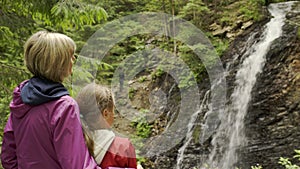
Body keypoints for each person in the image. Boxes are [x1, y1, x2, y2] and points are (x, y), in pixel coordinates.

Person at [1, 31, 101, 169]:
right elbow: (78, 166)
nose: (73, 60)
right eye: (70, 56)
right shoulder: (64, 106)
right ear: (58, 62)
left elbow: (8, 158)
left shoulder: (20, 100)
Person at [76, 83, 140, 169]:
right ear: (105, 113)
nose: (114, 115)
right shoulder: (123, 147)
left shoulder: (72, 143)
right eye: (113, 110)